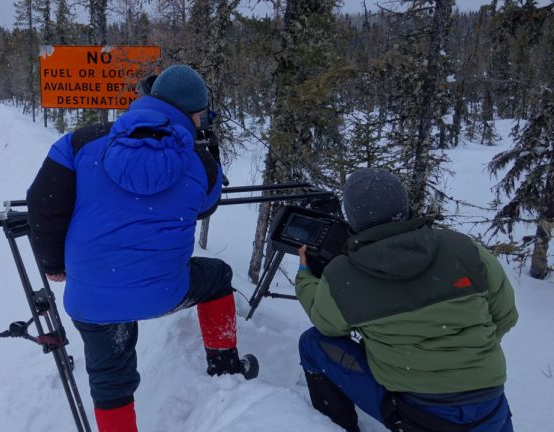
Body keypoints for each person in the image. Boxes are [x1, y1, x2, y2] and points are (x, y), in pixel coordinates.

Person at [26, 64, 258, 432]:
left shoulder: (78, 143)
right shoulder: (199, 162)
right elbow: (207, 205)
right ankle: (224, 366)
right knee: (217, 276)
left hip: (92, 297)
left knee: (110, 380)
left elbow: (43, 203)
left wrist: (53, 263)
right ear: (195, 114)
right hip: (165, 291)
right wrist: (206, 151)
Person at [294, 168, 518, 432]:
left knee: (313, 343)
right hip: (490, 408)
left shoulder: (344, 275)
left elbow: (327, 325)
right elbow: (505, 315)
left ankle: (336, 427)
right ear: (405, 206)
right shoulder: (465, 249)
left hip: (412, 413)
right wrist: (463, 357)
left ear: (352, 220)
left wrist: (305, 276)